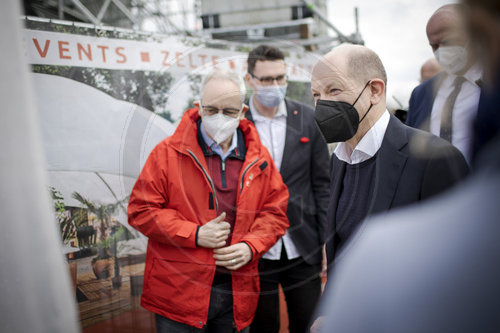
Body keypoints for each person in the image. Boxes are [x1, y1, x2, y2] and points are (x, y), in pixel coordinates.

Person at [310, 44, 469, 332]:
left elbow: (461, 273)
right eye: (316, 95)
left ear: (375, 90)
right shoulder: (338, 161)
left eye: (334, 91)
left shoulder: (434, 157)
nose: (323, 104)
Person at [128, 69, 290, 333]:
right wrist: (195, 234)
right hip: (178, 295)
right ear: (199, 108)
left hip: (235, 293)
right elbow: (141, 210)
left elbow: (275, 211)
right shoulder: (166, 154)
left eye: (228, 111)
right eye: (212, 109)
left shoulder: (259, 157)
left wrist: (252, 246)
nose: (219, 117)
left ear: (242, 112)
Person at [245, 45, 330, 333]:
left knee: (308, 323)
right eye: (267, 79)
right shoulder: (237, 124)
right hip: (254, 249)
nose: (275, 85)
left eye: (280, 78)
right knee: (262, 327)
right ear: (250, 80)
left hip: (304, 246)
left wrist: (327, 242)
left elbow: (323, 186)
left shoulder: (309, 118)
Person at [406, 4, 482, 163]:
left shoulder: (492, 85)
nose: (440, 51)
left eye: (447, 42)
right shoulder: (421, 94)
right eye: (434, 46)